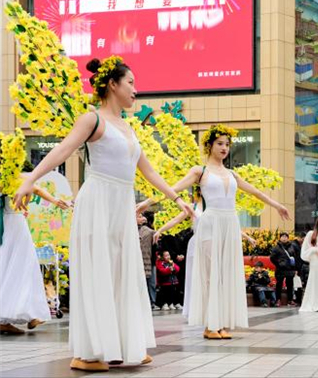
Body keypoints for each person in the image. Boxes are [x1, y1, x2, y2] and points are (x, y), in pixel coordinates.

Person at [13, 57, 194, 371]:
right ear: (113, 84)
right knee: (98, 273)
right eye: (130, 84)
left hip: (121, 204)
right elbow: (63, 149)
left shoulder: (128, 127)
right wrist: (30, 179)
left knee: (122, 273)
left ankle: (122, 344)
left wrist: (176, 199)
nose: (135, 91)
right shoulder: (92, 119)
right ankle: (89, 351)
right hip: (97, 201)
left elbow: (148, 171)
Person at [137, 123, 288, 339]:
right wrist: (147, 202)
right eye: (219, 143)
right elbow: (174, 187)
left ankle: (221, 322)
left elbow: (255, 191)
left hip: (229, 223)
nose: (224, 148)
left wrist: (277, 205)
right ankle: (210, 325)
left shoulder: (232, 174)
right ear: (209, 145)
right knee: (211, 274)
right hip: (210, 224)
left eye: (227, 144)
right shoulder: (200, 171)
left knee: (226, 274)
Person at [1, 175, 70, 335]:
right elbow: (36, 189)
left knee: (8, 267)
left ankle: (12, 317)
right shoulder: (18, 178)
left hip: (5, 225)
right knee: (24, 267)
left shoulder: (9, 179)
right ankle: (29, 314)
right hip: (16, 224)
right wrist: (54, 200)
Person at [271, 233, 299, 307]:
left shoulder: (292, 247)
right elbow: (272, 258)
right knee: (279, 285)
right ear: (280, 238)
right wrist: (279, 264)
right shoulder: (276, 247)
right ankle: (278, 300)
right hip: (280, 269)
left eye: (286, 237)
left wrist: (295, 268)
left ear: (288, 238)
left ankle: (290, 300)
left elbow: (295, 258)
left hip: (290, 269)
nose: (284, 238)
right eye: (282, 237)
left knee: (290, 285)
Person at [137, 213, 157, 310]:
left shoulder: (149, 231)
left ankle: (151, 301)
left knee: (150, 282)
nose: (142, 218)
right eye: (139, 216)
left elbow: (155, 244)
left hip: (148, 260)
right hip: (137, 260)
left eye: (142, 216)